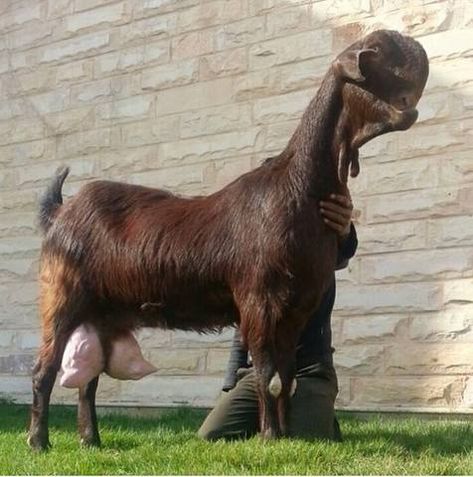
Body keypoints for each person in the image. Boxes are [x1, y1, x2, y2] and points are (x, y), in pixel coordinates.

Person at [198, 193, 357, 441]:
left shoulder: (315, 250)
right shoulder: (254, 260)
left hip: (309, 372)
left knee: (306, 441)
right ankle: (279, 415)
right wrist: (231, 386)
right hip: (260, 374)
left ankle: (318, 412)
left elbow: (342, 254)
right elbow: (244, 326)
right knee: (212, 435)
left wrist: (346, 232)